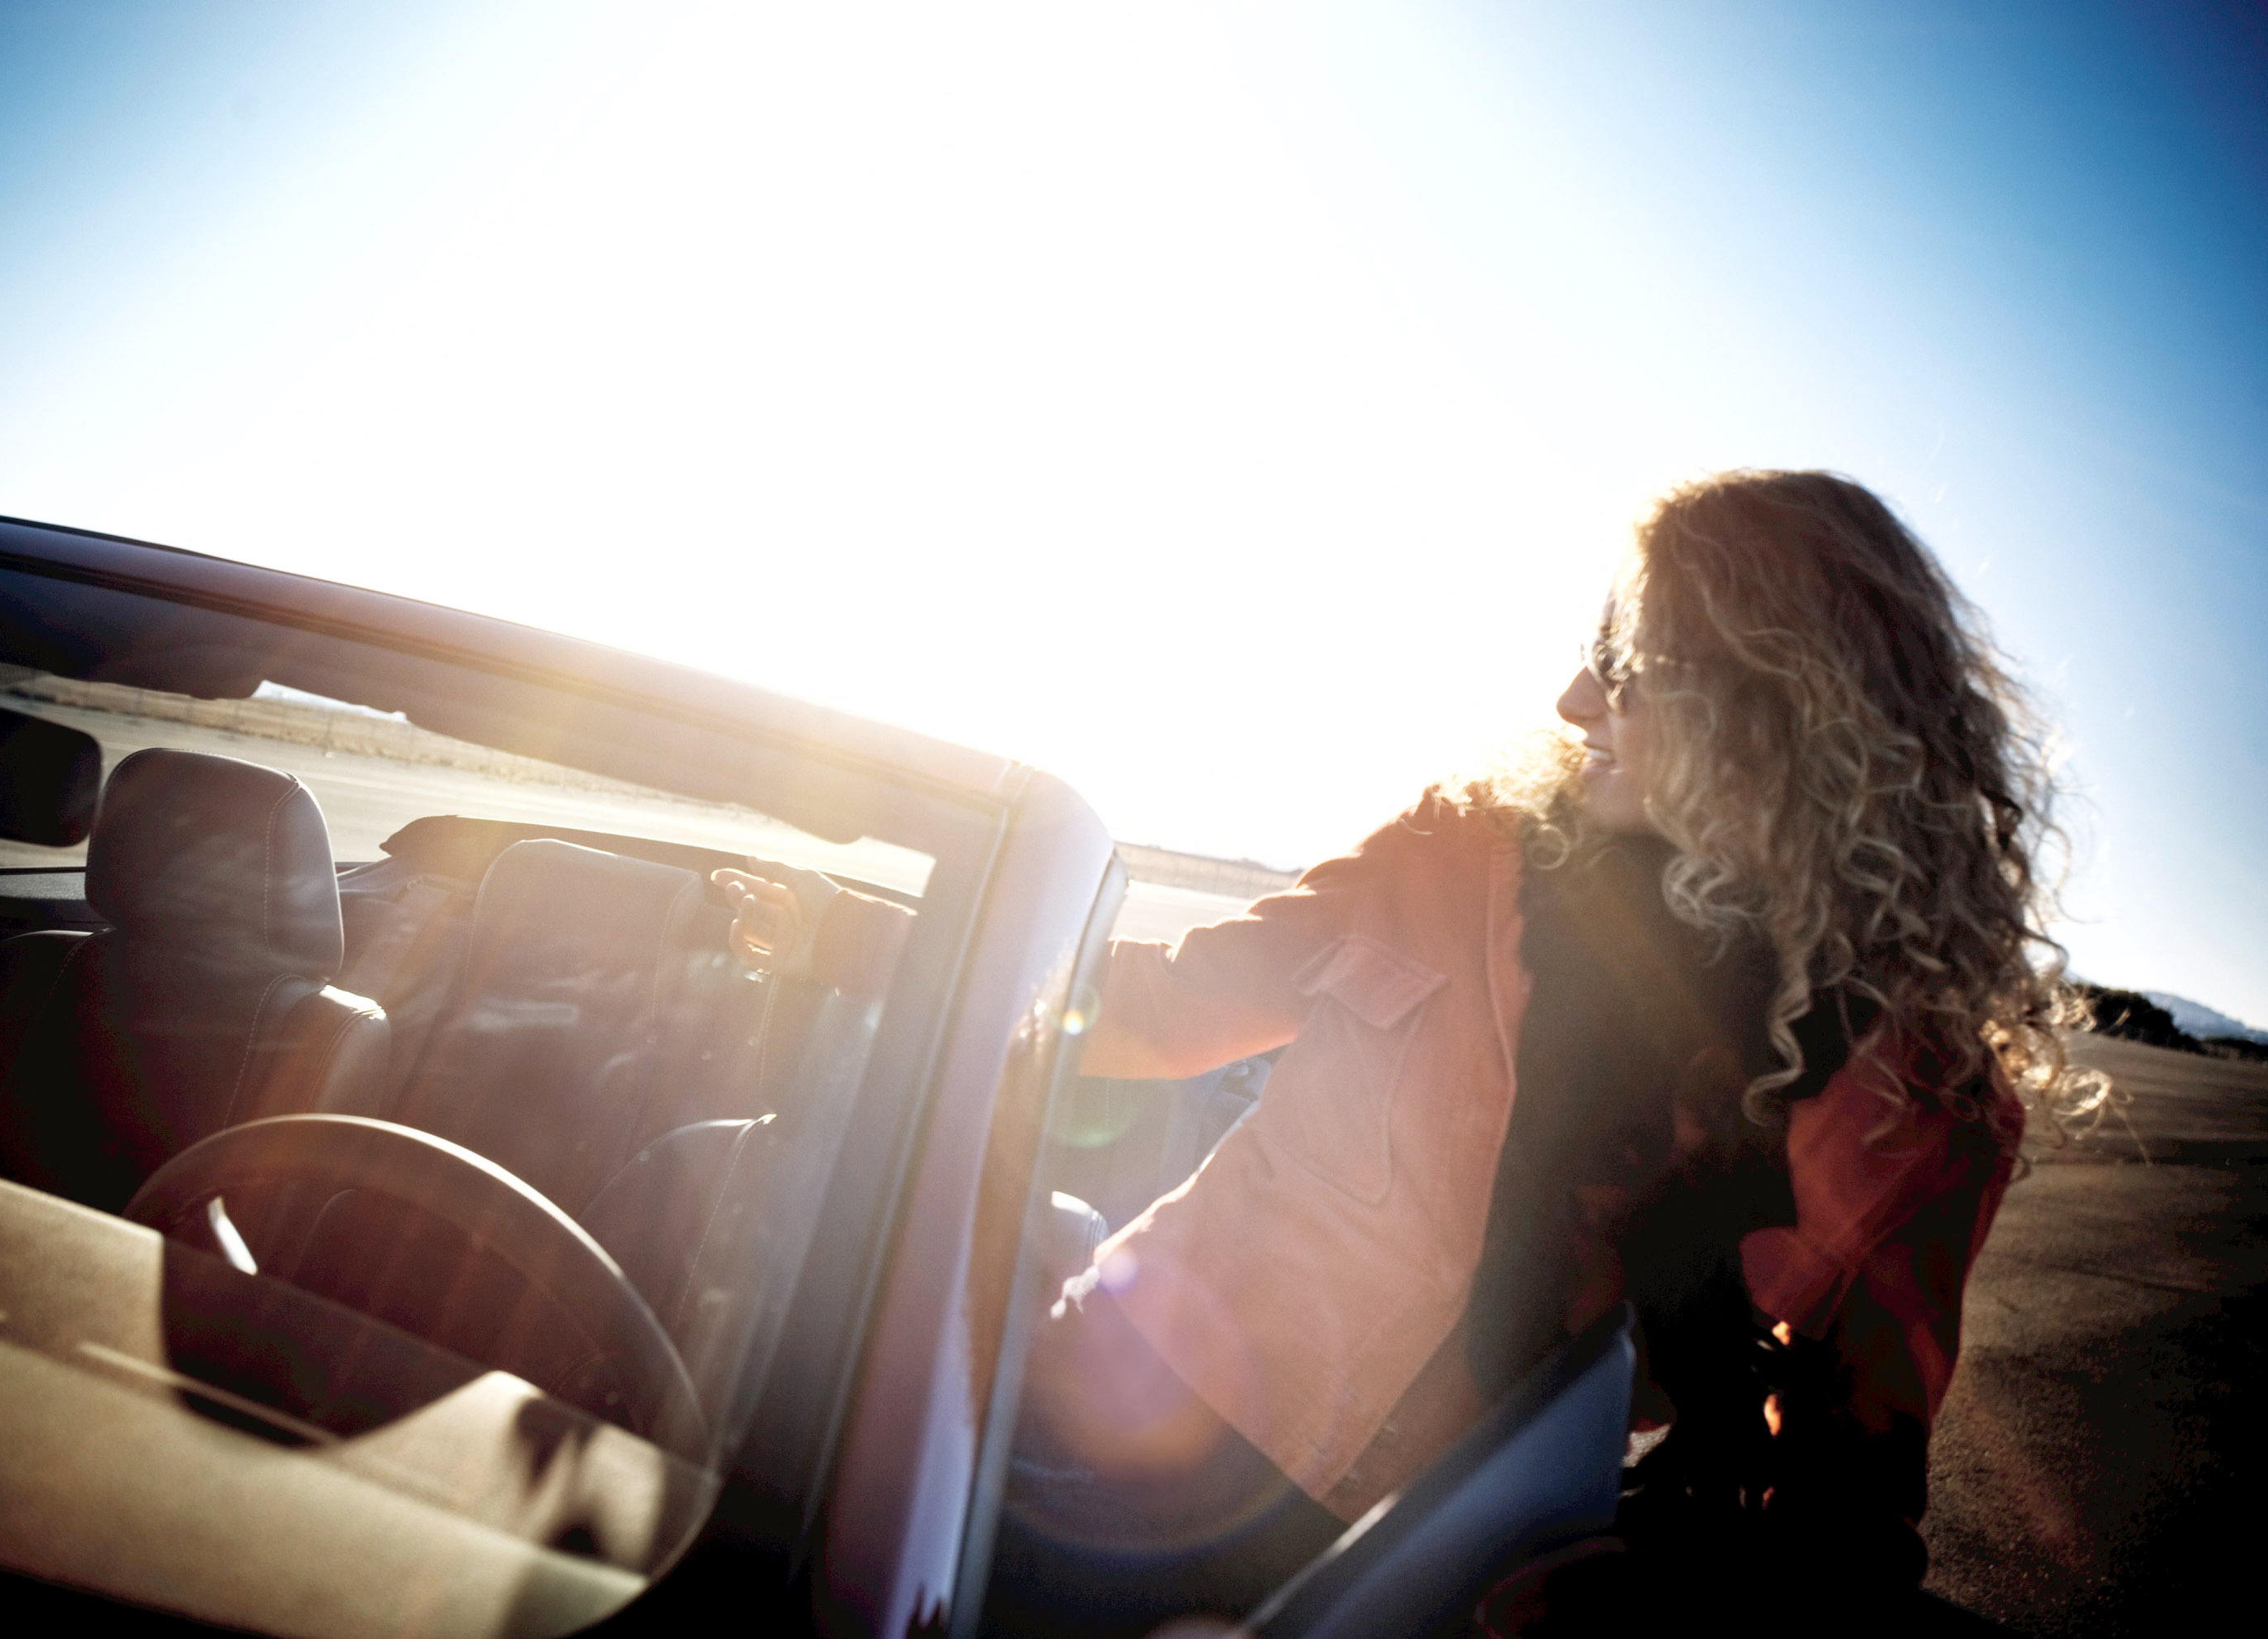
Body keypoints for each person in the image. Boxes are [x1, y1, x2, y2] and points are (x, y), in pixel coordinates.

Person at [714, 469, 2099, 1635]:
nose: (1571, 702)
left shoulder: (1918, 1103)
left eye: (1624, 667)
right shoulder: (1459, 850)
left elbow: (1851, 1496)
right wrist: (870, 948)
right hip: (1103, 1429)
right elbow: (1148, 1003)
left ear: (1771, 705)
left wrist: (1650, 1590)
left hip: (1417, 1584)